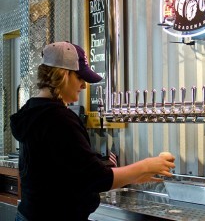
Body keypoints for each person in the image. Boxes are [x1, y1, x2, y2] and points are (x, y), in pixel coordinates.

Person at [10, 41, 175, 221]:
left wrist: (133, 176)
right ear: (64, 75)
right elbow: (95, 178)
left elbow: (70, 173)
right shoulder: (58, 119)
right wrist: (146, 166)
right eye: (80, 78)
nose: (84, 86)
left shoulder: (32, 111)